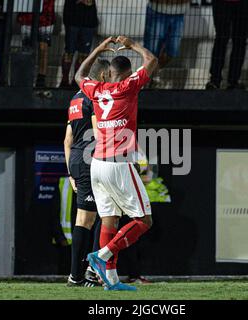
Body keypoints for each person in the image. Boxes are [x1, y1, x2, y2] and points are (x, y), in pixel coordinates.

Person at [74, 35, 158, 291]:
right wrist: (133, 46)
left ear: (108, 74)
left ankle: (110, 280)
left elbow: (78, 75)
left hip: (96, 164)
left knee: (110, 220)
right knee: (144, 220)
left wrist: (98, 47)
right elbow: (152, 60)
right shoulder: (129, 87)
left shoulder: (97, 91)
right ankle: (101, 256)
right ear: (128, 73)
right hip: (117, 164)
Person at [64, 59, 110, 287]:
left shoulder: (74, 99)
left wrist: (71, 172)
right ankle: (93, 270)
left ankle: (76, 275)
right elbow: (99, 133)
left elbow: (67, 140)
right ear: (102, 76)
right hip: (92, 160)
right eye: (109, 75)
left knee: (85, 218)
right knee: (105, 213)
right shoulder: (94, 97)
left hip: (76, 161)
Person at [205, 0, 248, 90]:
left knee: (239, 40)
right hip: (222, 3)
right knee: (222, 38)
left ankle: (233, 81)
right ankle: (215, 80)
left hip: (244, 3)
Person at [143, 0, 190, 87]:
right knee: (151, 50)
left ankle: (153, 73)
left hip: (179, 12)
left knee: (173, 51)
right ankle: (148, 80)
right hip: (157, 10)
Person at [59, 0, 98, 88]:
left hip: (88, 20)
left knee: (83, 54)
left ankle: (76, 81)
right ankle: (64, 81)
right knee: (69, 51)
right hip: (72, 18)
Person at [17, 0, 56, 88]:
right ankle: (26, 77)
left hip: (46, 16)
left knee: (43, 49)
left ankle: (41, 79)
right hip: (28, 17)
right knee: (27, 50)